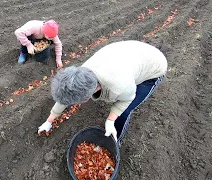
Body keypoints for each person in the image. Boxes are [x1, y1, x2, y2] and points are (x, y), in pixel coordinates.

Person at [37, 40, 167, 143]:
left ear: (87, 98)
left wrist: (110, 121)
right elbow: (67, 95)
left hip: (154, 65)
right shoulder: (81, 73)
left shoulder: (119, 86)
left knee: (125, 111)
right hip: (128, 53)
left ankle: (116, 141)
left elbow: (128, 98)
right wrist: (49, 121)